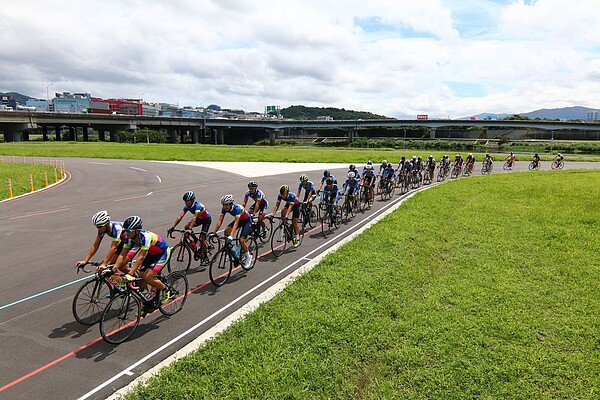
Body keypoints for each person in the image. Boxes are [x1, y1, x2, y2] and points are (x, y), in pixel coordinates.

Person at [111, 216, 172, 309]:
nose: (126, 233)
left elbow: (140, 257)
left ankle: (166, 289)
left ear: (137, 230)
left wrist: (130, 274)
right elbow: (122, 255)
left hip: (162, 253)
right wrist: (113, 269)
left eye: (129, 231)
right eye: (125, 231)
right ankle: (147, 302)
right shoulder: (129, 237)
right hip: (152, 253)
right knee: (140, 279)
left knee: (147, 277)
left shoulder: (145, 237)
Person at [167, 191, 212, 264]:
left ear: (192, 200)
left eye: (187, 201)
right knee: (186, 227)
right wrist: (173, 227)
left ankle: (205, 256)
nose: (186, 203)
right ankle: (195, 240)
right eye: (185, 201)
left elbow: (194, 218)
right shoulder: (187, 207)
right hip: (199, 218)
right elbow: (180, 216)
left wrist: (190, 229)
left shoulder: (198, 206)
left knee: (201, 238)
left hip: (206, 220)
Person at [212, 194, 253, 268]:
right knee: (226, 231)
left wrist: (231, 236)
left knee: (241, 240)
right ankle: (231, 251)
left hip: (246, 221)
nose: (225, 207)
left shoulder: (237, 209)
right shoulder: (224, 209)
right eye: (224, 205)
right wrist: (214, 233)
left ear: (231, 204)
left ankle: (248, 257)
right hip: (240, 220)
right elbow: (220, 221)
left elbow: (236, 224)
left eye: (227, 205)